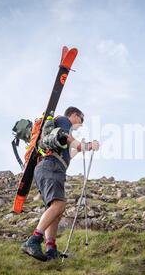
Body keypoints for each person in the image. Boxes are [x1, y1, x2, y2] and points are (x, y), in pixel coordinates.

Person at [21, 106, 99, 261]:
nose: (81, 124)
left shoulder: (60, 133)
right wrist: (86, 146)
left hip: (50, 167)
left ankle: (51, 249)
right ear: (74, 115)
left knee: (56, 210)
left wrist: (85, 147)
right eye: (81, 119)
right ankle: (33, 240)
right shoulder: (63, 121)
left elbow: (68, 151)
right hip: (51, 166)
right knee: (59, 205)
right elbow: (66, 137)